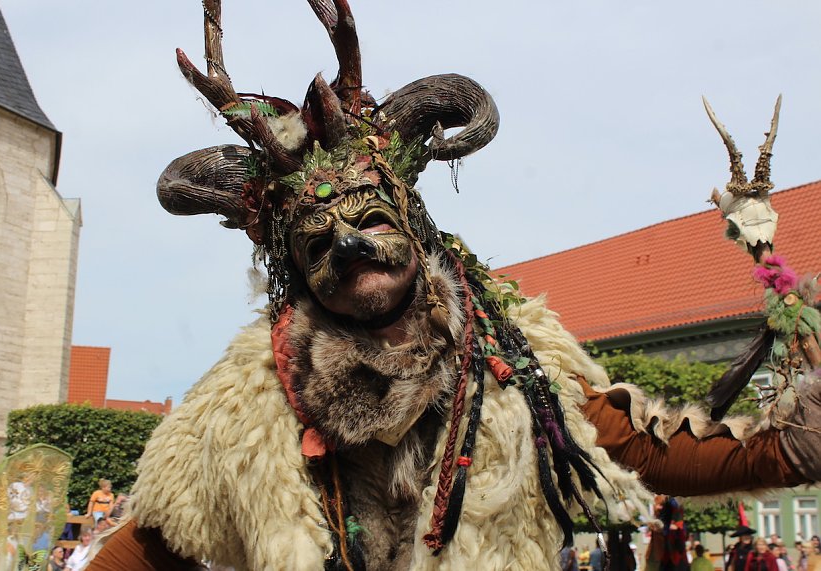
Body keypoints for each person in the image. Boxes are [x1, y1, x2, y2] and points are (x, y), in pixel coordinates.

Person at [84, 2, 821, 570]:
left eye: (370, 219)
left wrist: (789, 447)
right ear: (298, 272)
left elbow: (647, 452)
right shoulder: (245, 402)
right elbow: (157, 539)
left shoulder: (513, 355)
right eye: (318, 243)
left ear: (412, 226)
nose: (348, 245)